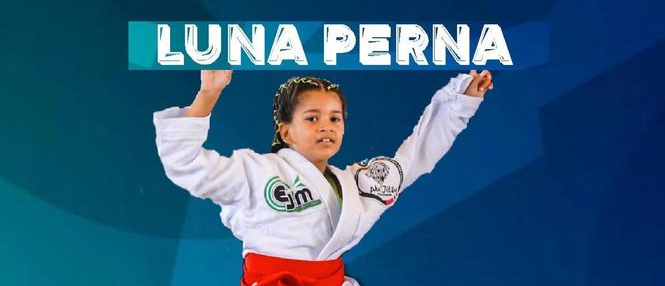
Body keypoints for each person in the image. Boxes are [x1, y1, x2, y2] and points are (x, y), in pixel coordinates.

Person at [154, 70, 493, 286]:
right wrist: (209, 94)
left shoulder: (358, 184)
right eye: (312, 118)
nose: (326, 127)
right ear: (286, 132)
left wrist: (459, 102)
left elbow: (416, 156)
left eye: (335, 118)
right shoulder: (255, 172)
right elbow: (185, 163)